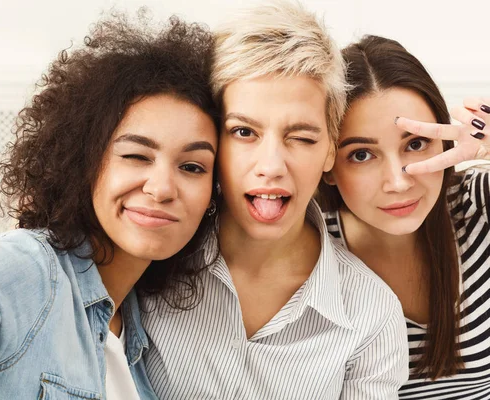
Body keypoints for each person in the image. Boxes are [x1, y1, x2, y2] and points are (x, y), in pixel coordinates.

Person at [0, 11, 219, 400]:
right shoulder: (29, 268)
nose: (162, 187)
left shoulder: (141, 326)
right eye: (136, 156)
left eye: (192, 166)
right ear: (84, 161)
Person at [140, 1, 409, 399]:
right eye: (244, 132)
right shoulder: (150, 257)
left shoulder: (370, 316)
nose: (271, 166)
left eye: (301, 137)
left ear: (330, 152)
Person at [317, 34, 490, 398]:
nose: (398, 182)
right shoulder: (310, 246)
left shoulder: (478, 202)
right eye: (362, 155)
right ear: (328, 165)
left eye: (415, 144)